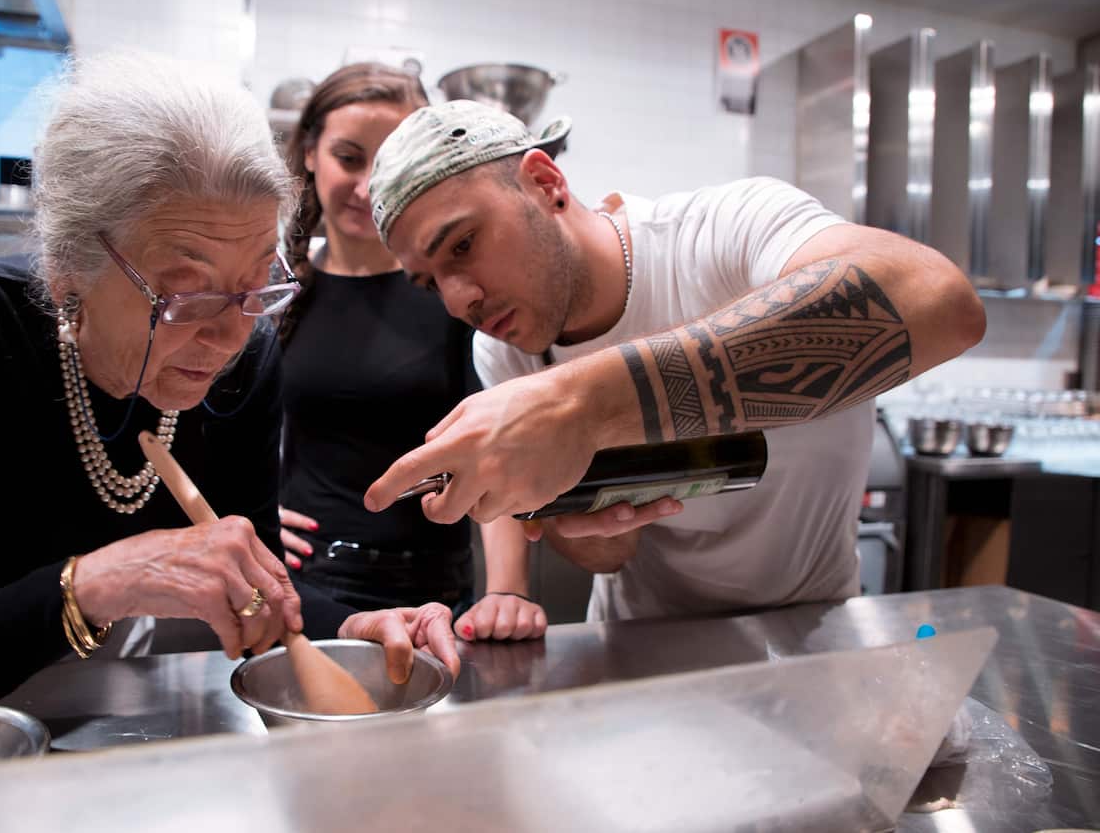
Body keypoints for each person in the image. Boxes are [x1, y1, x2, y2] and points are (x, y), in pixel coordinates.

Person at [0, 52, 458, 726]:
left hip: (124, 731)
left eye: (253, 288)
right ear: (70, 273)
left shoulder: (246, 357)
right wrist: (96, 584)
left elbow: (260, 589)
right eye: (186, 297)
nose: (228, 337)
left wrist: (351, 625)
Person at [360, 100, 985, 620]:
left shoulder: (722, 233)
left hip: (812, 631)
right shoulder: (505, 350)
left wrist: (582, 408)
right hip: (640, 648)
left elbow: (939, 303)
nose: (456, 298)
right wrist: (596, 525)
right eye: (429, 282)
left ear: (546, 183)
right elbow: (606, 558)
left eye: (464, 244)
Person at [277, 63, 546, 642]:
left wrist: (507, 591)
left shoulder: (456, 291)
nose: (368, 187)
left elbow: (495, 445)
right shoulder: (278, 290)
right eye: (349, 158)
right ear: (309, 153)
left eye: (387, 163)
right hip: (310, 596)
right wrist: (245, 516)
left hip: (438, 603)